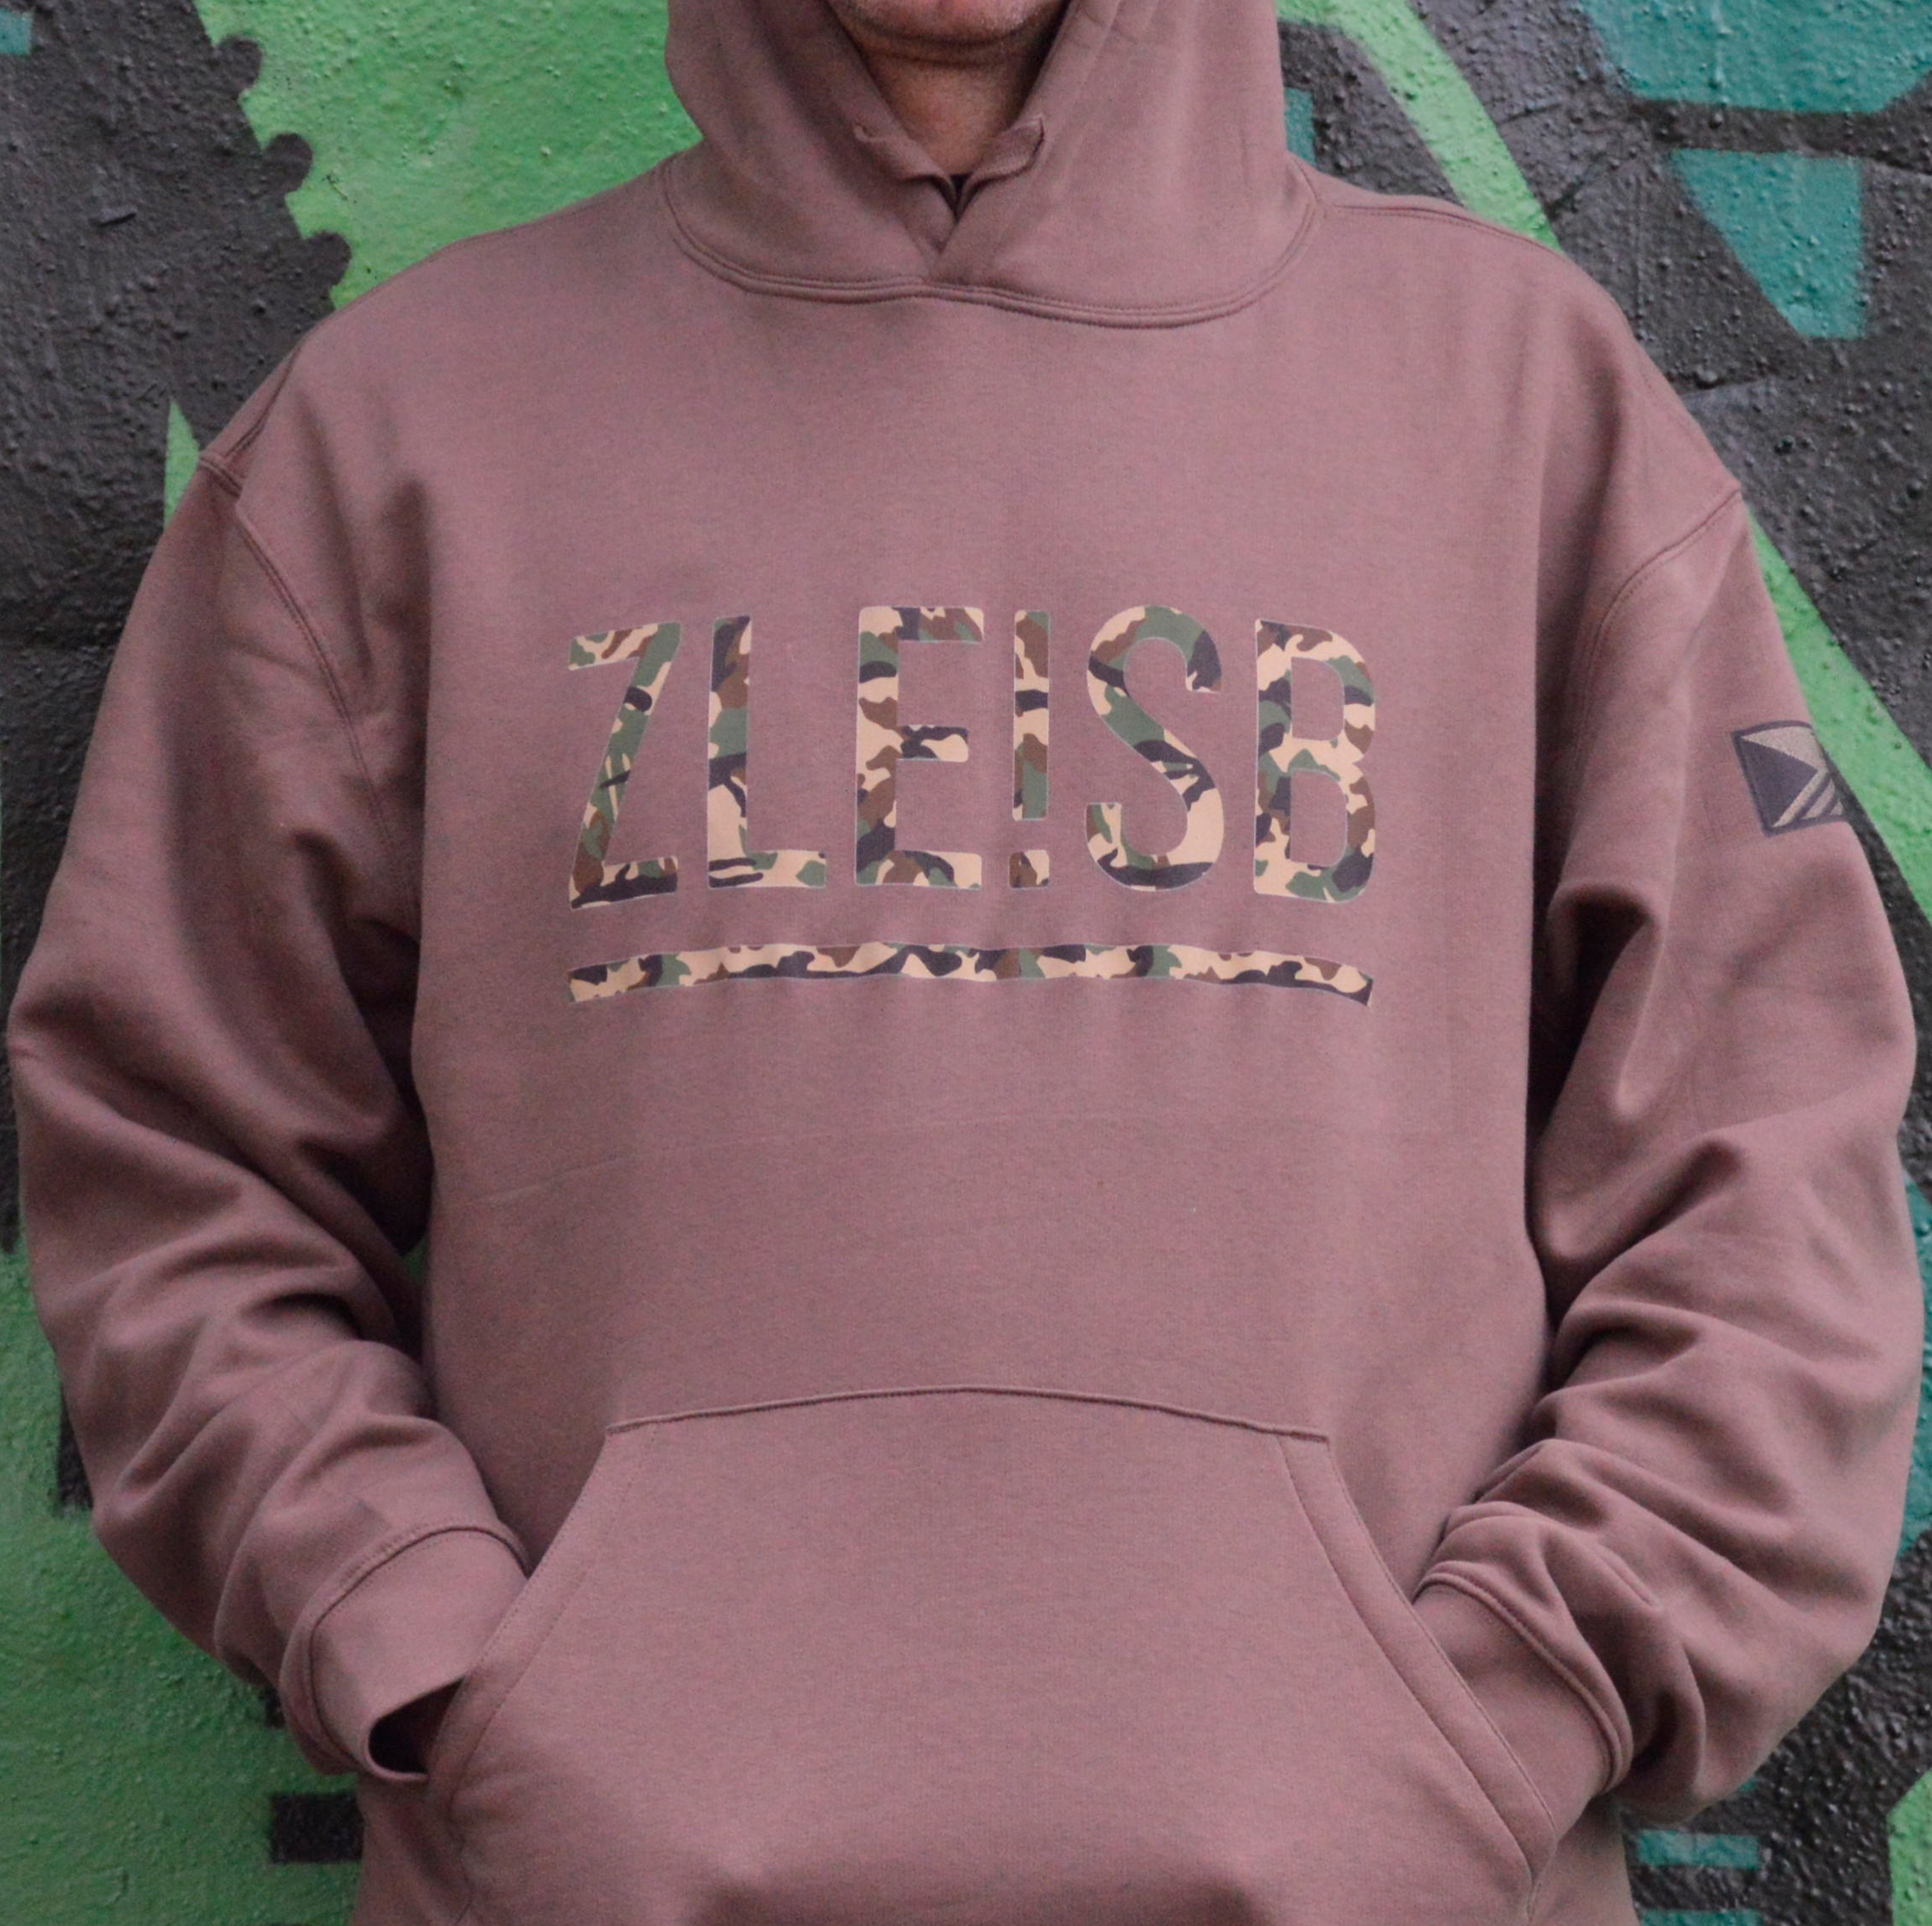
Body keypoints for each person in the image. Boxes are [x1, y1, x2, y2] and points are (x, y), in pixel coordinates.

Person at [7, 0, 1922, 1920]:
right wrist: (428, 1646)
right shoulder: (395, 437)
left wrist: (1499, 1719)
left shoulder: (1523, 406)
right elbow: (176, 1166)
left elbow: (1766, 1190)